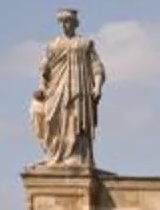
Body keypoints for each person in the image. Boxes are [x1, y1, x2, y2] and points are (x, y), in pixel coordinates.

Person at [29, 9, 104, 166]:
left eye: (68, 21)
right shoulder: (53, 46)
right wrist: (42, 87)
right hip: (56, 89)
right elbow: (44, 70)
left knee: (76, 119)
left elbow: (97, 67)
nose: (64, 24)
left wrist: (97, 86)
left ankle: (77, 154)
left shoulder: (84, 44)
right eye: (61, 21)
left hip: (79, 89)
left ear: (75, 24)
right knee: (53, 120)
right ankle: (56, 154)